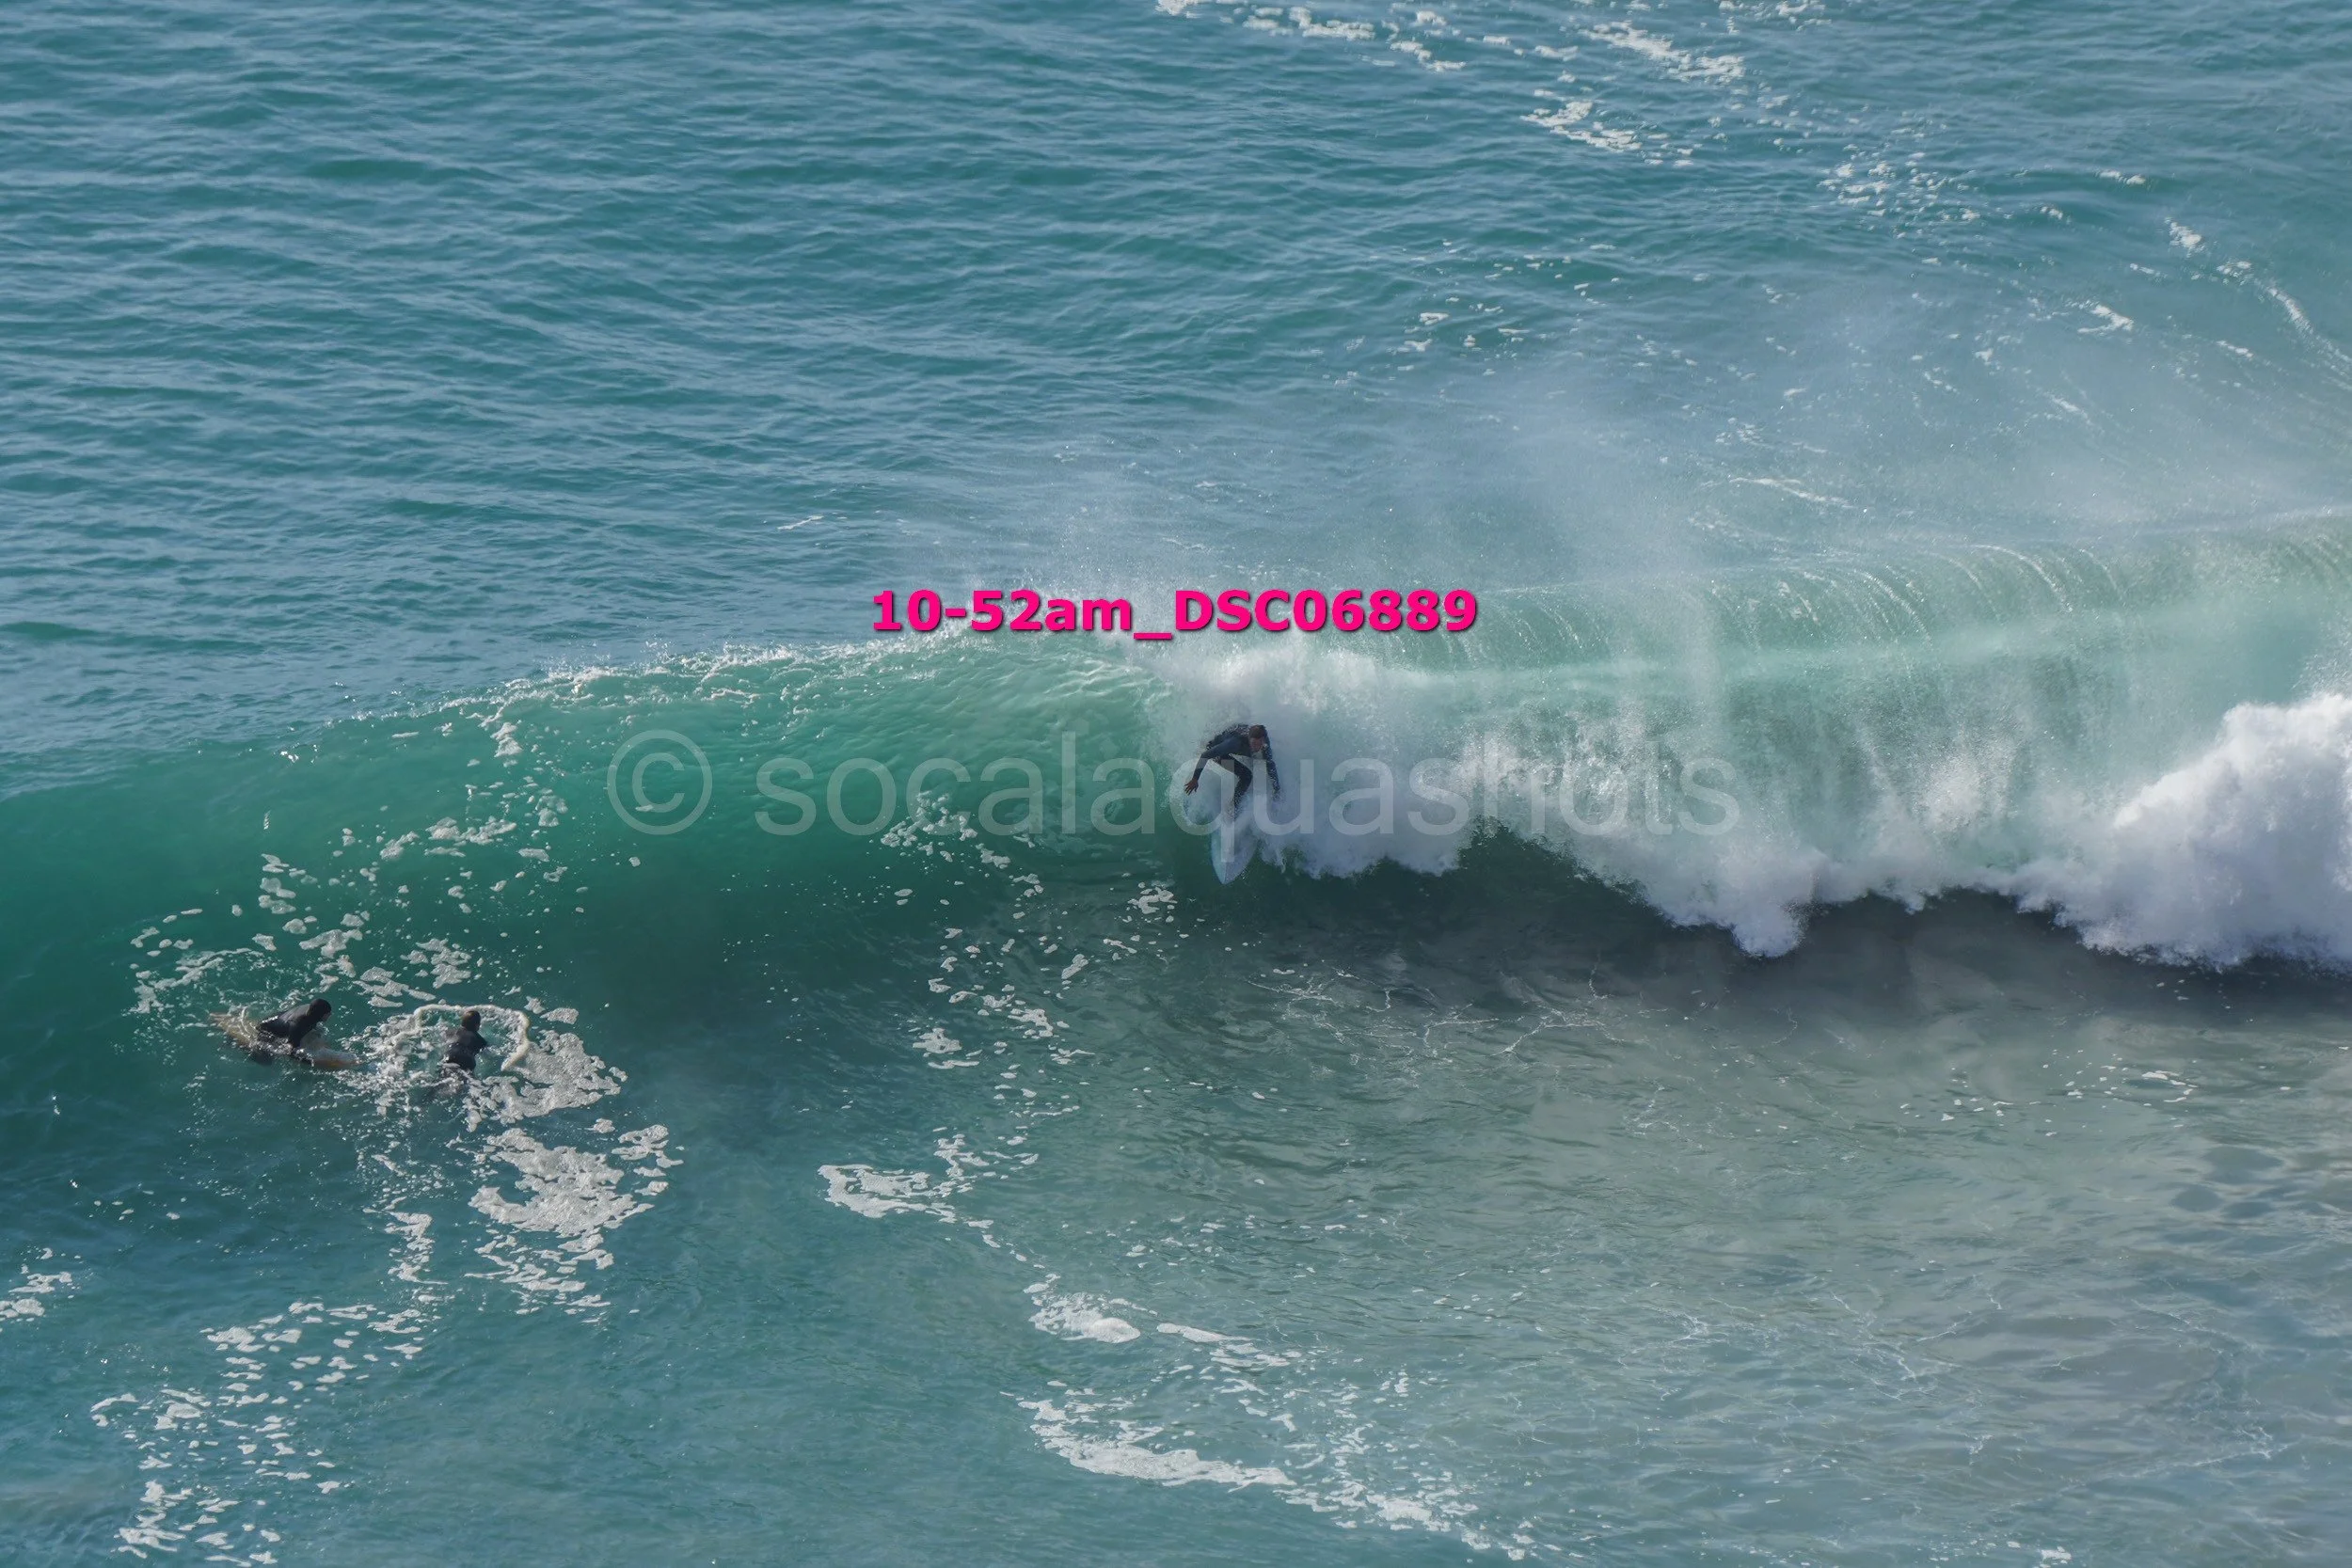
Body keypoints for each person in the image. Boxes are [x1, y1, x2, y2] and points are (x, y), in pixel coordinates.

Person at [1185, 723, 1279, 814]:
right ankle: (1233, 808)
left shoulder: (1265, 744)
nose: (1257, 747)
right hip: (1217, 750)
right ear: (1249, 739)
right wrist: (1195, 779)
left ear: (1263, 740)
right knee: (1246, 776)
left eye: (1259, 744)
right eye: (1254, 744)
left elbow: (1270, 765)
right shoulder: (1234, 743)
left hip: (1234, 736)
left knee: (1266, 759)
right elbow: (1205, 755)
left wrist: (1277, 790)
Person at [248, 998, 332, 1064]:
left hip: (277, 1019)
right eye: (327, 1013)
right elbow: (290, 1050)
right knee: (266, 1061)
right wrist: (308, 1061)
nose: (330, 1014)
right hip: (266, 1030)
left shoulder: (311, 1009)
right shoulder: (299, 1025)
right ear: (319, 1015)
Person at [437, 1009, 488, 1087]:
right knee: (467, 1084)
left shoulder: (449, 1032)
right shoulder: (480, 1040)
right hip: (465, 1058)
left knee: (440, 1081)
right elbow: (487, 1054)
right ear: (477, 1025)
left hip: (449, 1055)